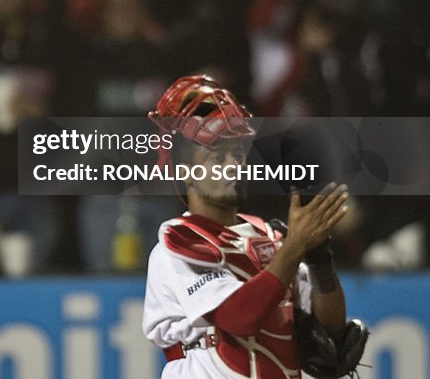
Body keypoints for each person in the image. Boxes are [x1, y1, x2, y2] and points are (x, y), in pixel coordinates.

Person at [143, 74, 364, 378]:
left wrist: (319, 260)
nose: (232, 164)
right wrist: (295, 246)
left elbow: (330, 333)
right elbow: (236, 318)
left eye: (237, 153)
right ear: (185, 171)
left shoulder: (272, 236)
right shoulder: (176, 246)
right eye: (217, 156)